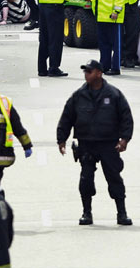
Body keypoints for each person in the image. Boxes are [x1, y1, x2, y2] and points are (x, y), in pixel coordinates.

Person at [56, 59, 134, 226]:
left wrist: (125, 139)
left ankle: (122, 212)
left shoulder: (113, 94)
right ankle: (86, 212)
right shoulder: (78, 95)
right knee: (85, 180)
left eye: (89, 71)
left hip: (108, 144)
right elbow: (67, 117)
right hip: (87, 144)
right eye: (85, 71)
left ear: (99, 73)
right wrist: (61, 139)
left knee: (114, 179)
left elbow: (126, 117)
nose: (86, 74)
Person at [37, 0, 84, 77]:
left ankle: (42, 68)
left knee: (44, 39)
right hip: (55, 8)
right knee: (56, 39)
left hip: (42, 8)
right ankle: (54, 68)